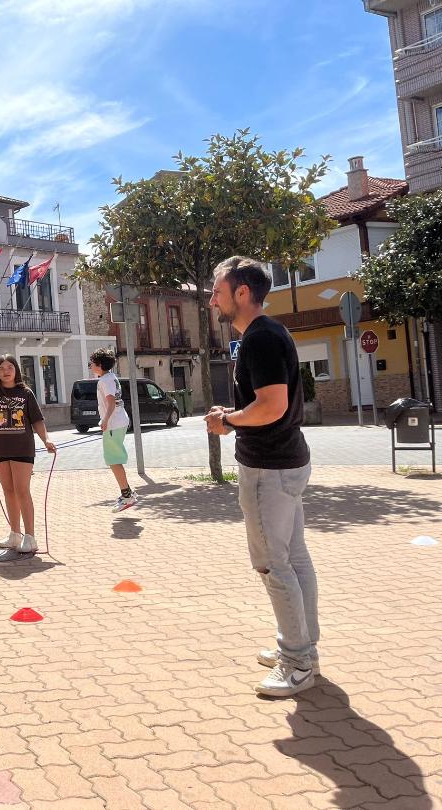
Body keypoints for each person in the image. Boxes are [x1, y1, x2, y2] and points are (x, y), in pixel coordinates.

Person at [206, 256, 316, 698]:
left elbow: (271, 406)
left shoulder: (260, 338)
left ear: (241, 293)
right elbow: (271, 403)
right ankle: (303, 648)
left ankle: (297, 661)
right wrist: (233, 417)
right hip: (285, 461)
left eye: (217, 291)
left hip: (269, 468)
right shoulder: (266, 333)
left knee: (273, 563)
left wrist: (227, 420)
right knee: (296, 559)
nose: (212, 299)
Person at [0, 355, 56, 554]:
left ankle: (30, 537)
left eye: (9, 367)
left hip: (22, 447)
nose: (5, 371)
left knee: (22, 490)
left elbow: (37, 420)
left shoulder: (26, 393)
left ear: (16, 370)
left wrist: (46, 440)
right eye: (1, 368)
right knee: (8, 491)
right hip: (0, 449)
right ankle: (14, 534)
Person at [88, 348, 138, 513]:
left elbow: (110, 402)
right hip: (119, 421)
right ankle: (127, 493)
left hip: (113, 424)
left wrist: (105, 420)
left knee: (113, 460)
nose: (90, 366)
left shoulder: (104, 381)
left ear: (100, 364)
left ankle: (126, 496)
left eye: (92, 363)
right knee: (114, 459)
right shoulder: (110, 377)